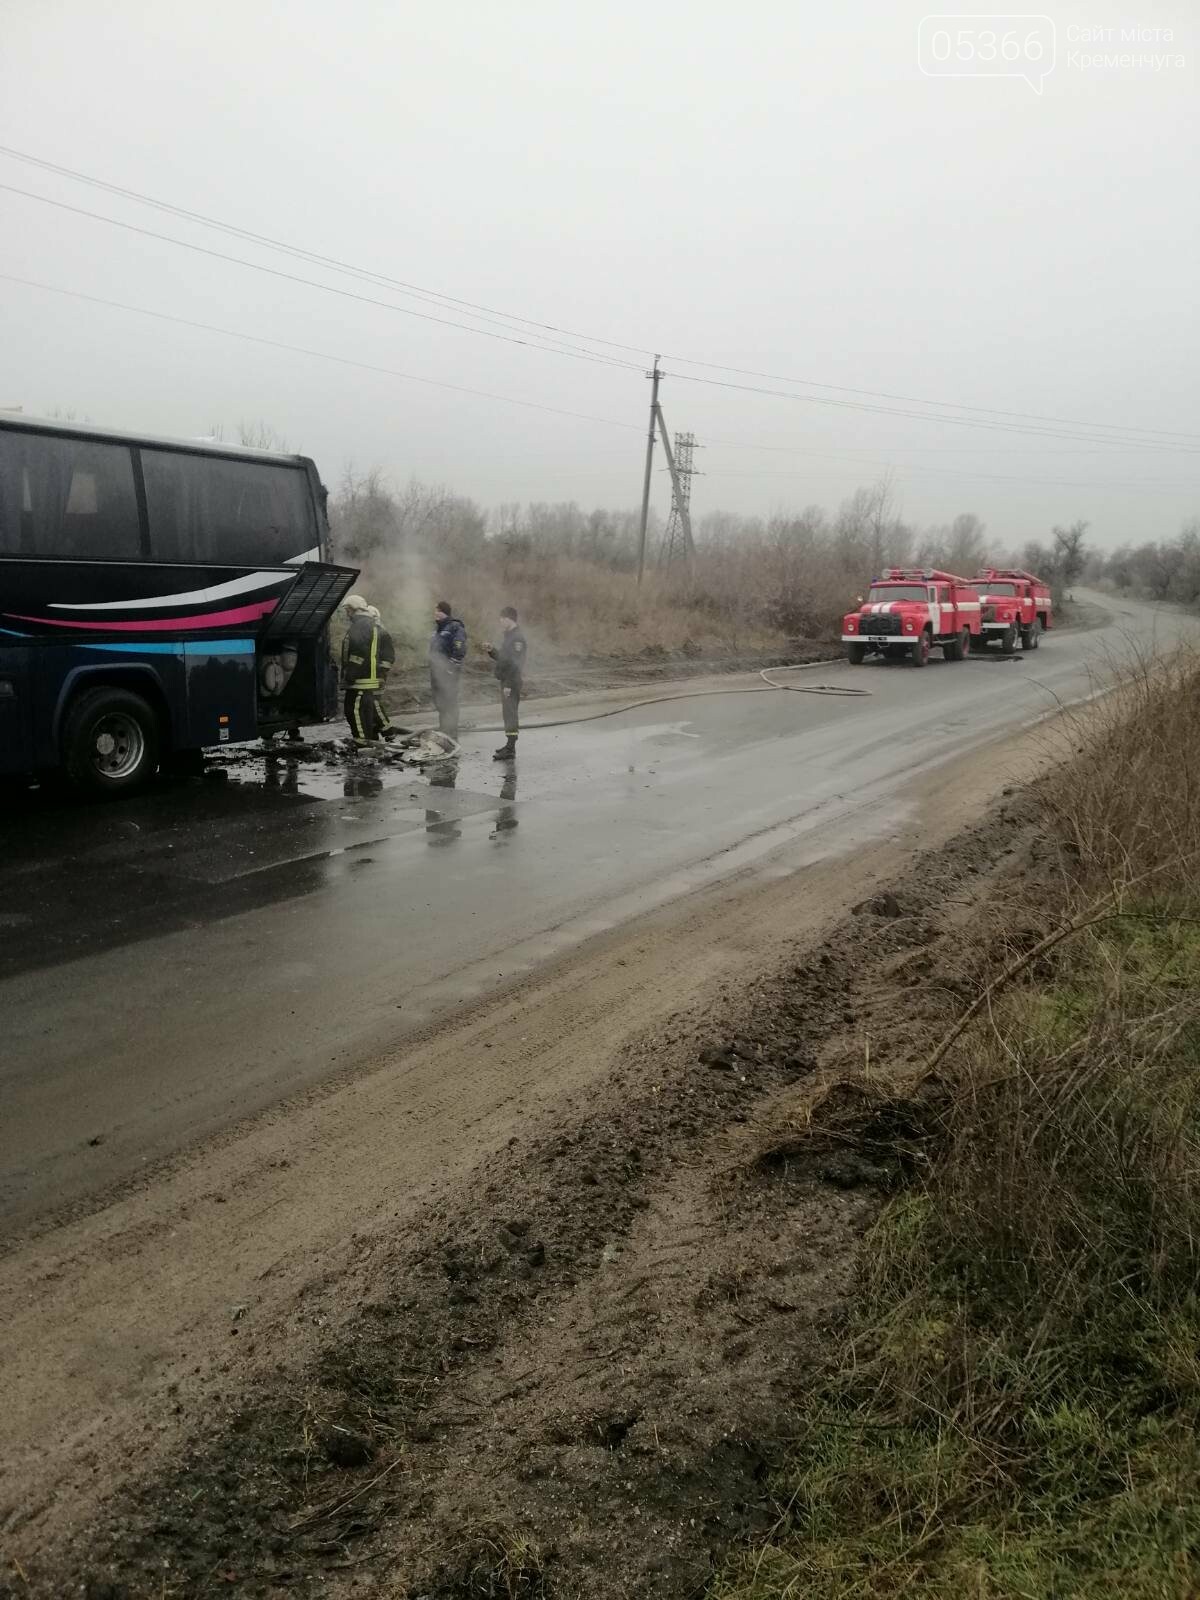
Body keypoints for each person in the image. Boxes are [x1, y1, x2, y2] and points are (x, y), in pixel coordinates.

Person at [341, 593, 395, 747]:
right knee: (367, 710)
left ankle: (364, 743)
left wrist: (350, 674)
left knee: (356, 711)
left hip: (361, 679)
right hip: (367, 677)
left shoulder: (361, 626)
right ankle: (372, 738)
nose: (347, 614)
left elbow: (359, 652)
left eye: (348, 610)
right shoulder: (370, 626)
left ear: (353, 609)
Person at [485, 605, 526, 761]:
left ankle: (510, 749)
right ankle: (509, 746)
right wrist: (491, 650)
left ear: (509, 618)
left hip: (511, 681)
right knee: (507, 714)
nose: (500, 622)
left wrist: (508, 684)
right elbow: (504, 658)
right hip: (507, 680)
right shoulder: (510, 637)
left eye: (502, 619)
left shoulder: (517, 639)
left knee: (510, 714)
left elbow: (515, 664)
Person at [429, 600, 467, 738]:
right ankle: (444, 731)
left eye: (437, 610)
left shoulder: (454, 627)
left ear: (442, 612)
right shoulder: (437, 629)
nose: (435, 613)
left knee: (449, 701)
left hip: (448, 673)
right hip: (436, 673)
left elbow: (459, 649)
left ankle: (452, 733)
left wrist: (450, 668)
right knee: (440, 703)